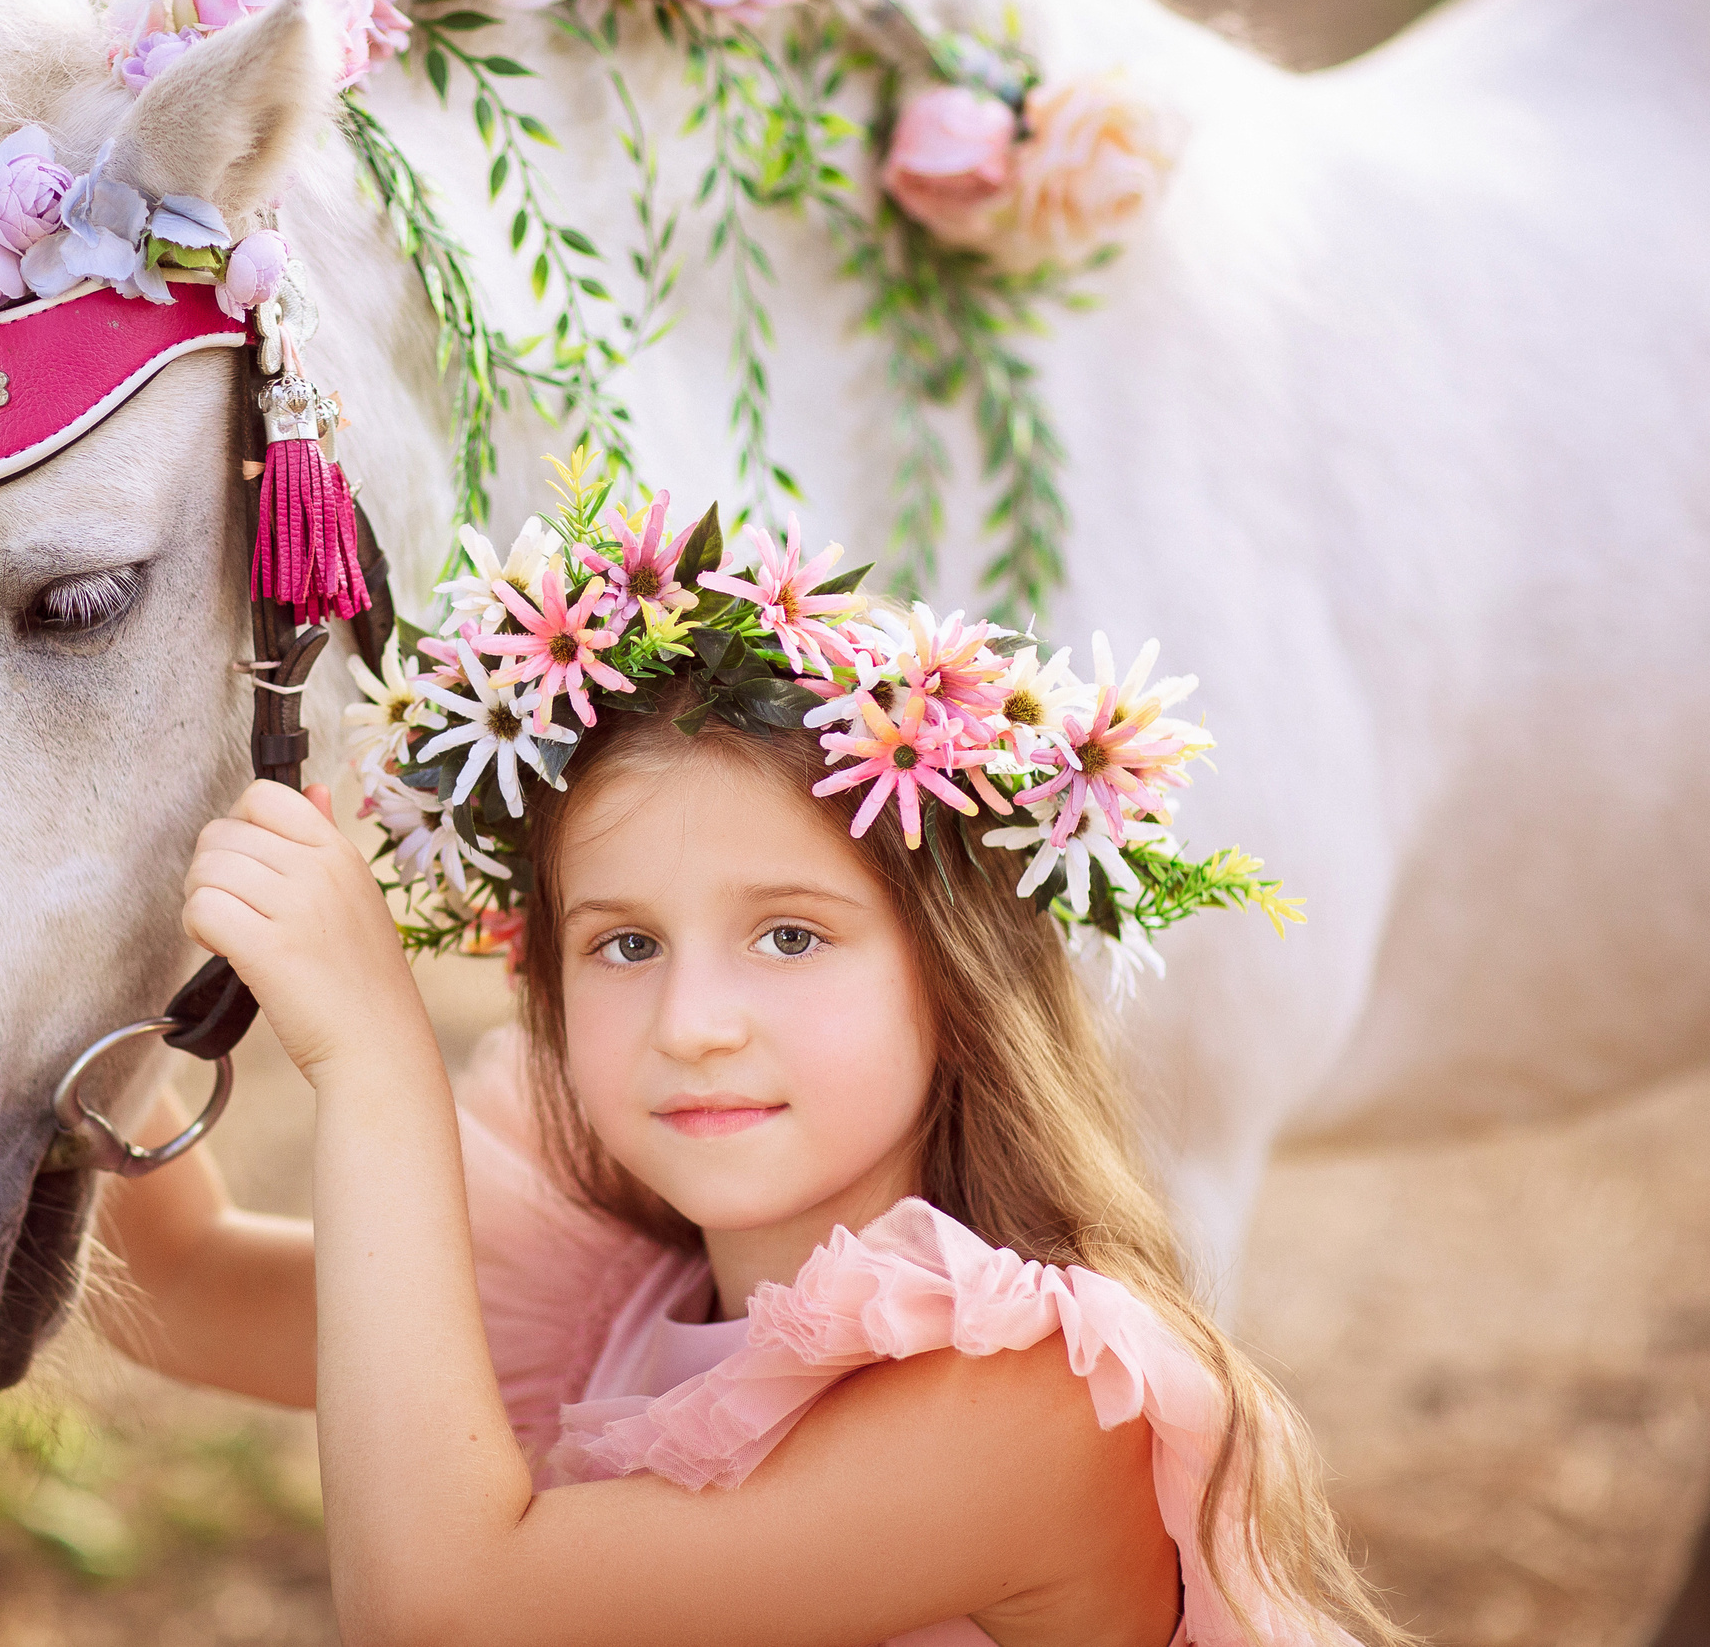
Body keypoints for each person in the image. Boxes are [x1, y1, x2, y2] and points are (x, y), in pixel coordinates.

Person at [96, 479, 1410, 1646]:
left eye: (790, 934)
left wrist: (375, 1060)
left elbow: (450, 1612)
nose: (693, 1023)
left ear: (959, 978)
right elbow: (177, 1279)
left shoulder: (1035, 1405)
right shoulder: (596, 1308)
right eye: (624, 945)